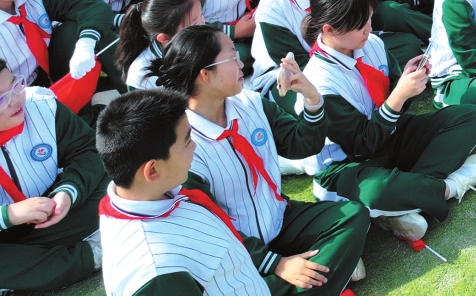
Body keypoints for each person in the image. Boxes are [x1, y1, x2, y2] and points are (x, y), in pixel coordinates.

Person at [151, 24, 370, 296]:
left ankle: (305, 280)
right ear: (205, 75)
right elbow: (211, 230)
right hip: (235, 251)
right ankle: (322, 275)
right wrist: (276, 263)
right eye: (232, 58)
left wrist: (312, 98)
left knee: (352, 216)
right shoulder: (183, 146)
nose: (241, 63)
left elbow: (302, 143)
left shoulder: (251, 103)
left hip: (278, 220)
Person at [301, 0, 476, 244]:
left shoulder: (372, 44)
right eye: (361, 25)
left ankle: (402, 201)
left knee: (469, 116)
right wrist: (400, 94)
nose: (369, 29)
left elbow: (395, 106)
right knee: (377, 190)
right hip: (348, 165)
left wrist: (408, 83)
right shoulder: (319, 83)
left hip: (389, 137)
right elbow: (363, 142)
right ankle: (452, 185)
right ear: (329, 30)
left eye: (369, 19)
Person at [95, 89, 273, 296]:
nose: (195, 145)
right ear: (153, 170)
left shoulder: (146, 193)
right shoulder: (156, 270)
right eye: (187, 141)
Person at [0, 57, 107, 292]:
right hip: (7, 239)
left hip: (58, 213)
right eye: (1, 99)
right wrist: (9, 215)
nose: (15, 99)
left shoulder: (42, 105)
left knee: (113, 183)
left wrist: (68, 191)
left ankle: (38, 267)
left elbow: (87, 150)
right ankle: (92, 254)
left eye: (16, 84)